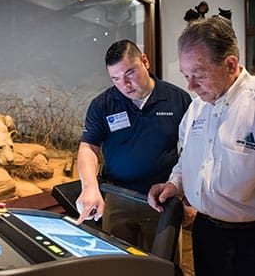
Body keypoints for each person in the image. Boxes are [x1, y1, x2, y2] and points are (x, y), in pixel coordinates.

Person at [148, 16, 255, 276]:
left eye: (199, 75)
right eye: (186, 75)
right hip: (205, 232)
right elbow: (187, 159)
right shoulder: (196, 108)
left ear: (230, 65)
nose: (190, 86)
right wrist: (174, 184)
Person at [75, 39, 192, 251]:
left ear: (145, 62)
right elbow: (88, 148)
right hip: (117, 197)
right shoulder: (102, 104)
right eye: (116, 79)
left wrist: (188, 198)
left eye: (129, 73)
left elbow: (191, 151)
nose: (125, 85)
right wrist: (89, 186)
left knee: (161, 265)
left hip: (161, 199)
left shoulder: (177, 99)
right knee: (118, 263)